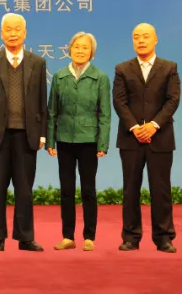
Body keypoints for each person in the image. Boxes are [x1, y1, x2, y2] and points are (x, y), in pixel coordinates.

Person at [113, 22, 181, 253]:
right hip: (130, 139)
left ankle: (164, 237)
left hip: (160, 138)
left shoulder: (169, 67)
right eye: (136, 37)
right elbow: (119, 102)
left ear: (155, 40)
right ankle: (131, 237)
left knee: (161, 190)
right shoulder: (122, 69)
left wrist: (153, 125)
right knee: (130, 189)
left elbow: (173, 100)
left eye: (145, 36)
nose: (140, 40)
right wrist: (135, 127)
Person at [0, 12, 47, 252]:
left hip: (27, 134)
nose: (12, 34)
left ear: (25, 33)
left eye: (17, 29)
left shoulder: (37, 63)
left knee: (25, 189)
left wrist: (42, 133)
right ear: (1, 33)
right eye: (8, 30)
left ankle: (25, 237)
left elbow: (41, 100)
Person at [46, 31, 111, 252]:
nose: (80, 51)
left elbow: (105, 114)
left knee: (88, 190)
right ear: (69, 50)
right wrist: (50, 140)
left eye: (85, 47)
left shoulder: (100, 78)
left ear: (92, 52)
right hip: (64, 139)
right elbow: (52, 111)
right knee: (66, 190)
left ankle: (89, 237)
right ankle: (67, 236)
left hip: (89, 141)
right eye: (76, 47)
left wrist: (103, 143)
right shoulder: (59, 76)